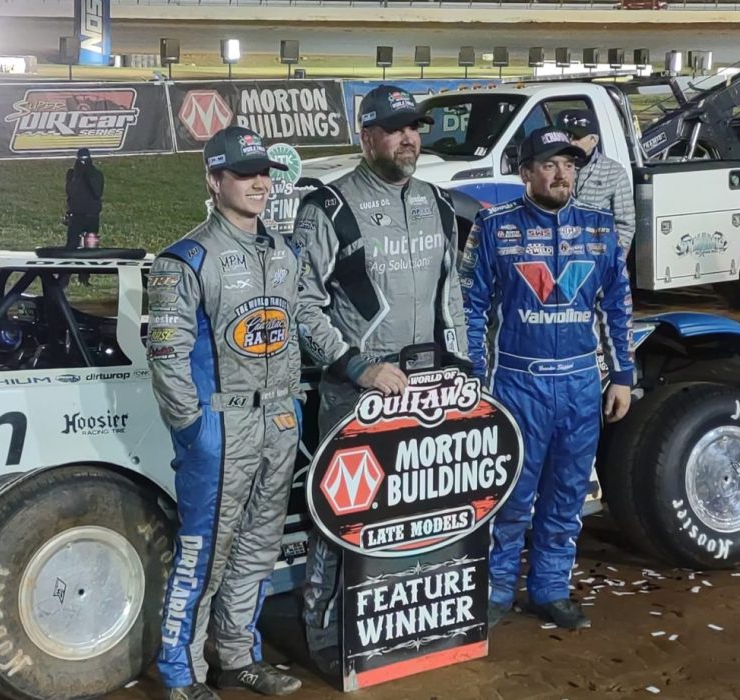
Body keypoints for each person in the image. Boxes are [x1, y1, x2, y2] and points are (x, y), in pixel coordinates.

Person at [292, 85, 469, 674]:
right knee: (343, 514)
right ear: (366, 137)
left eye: (414, 127)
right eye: (395, 129)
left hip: (430, 388)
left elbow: (456, 300)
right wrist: (356, 365)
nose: (409, 138)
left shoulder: (439, 204)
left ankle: (413, 628)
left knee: (423, 506)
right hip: (357, 392)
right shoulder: (330, 208)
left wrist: (466, 370)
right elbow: (301, 305)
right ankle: (324, 638)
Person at [147, 125, 305, 700]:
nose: (259, 183)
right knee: (204, 554)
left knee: (258, 549)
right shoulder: (184, 259)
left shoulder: (285, 251)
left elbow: (292, 334)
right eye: (244, 174)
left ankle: (238, 657)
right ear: (215, 181)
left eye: (264, 172)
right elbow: (165, 356)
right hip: (220, 425)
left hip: (278, 423)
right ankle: (181, 674)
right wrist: (193, 427)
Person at [459, 126, 634, 631]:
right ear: (525, 173)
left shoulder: (601, 228)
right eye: (551, 165)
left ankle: (551, 590)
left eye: (570, 165)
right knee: (510, 498)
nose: (563, 175)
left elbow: (617, 305)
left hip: (582, 385)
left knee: (566, 496)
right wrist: (476, 379)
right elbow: (471, 307)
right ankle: (492, 593)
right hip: (518, 384)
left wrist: (621, 375)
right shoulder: (495, 226)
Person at [557, 109, 635, 250]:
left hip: (598, 254)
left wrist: (617, 259)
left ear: (594, 140)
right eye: (567, 136)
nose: (570, 142)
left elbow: (625, 223)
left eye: (576, 137)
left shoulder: (614, 171)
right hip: (560, 254)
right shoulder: (551, 170)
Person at [64, 147, 104, 248]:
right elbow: (71, 192)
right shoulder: (72, 174)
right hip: (76, 216)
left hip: (92, 216)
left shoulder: (97, 174)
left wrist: (88, 173)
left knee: (91, 247)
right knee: (72, 246)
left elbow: (97, 192)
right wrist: (78, 175)